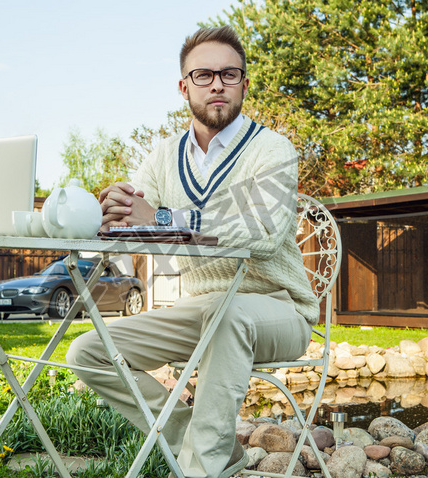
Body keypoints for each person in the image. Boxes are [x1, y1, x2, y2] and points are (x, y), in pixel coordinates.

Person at [66, 25, 318, 478]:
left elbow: (262, 229)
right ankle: (209, 447)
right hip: (200, 309)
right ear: (184, 87)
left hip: (277, 310)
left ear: (245, 82)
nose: (217, 83)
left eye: (229, 73)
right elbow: (139, 225)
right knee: (88, 351)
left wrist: (162, 217)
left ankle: (200, 469)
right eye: (203, 75)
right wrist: (112, 215)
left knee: (229, 314)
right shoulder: (164, 155)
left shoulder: (273, 150)